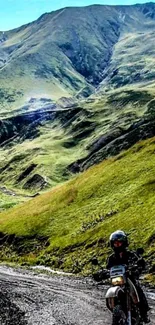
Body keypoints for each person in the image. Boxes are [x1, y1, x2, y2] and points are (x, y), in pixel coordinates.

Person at [106, 230, 150, 324]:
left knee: (138, 289)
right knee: (111, 292)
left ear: (124, 243)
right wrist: (101, 273)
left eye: (119, 242)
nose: (117, 245)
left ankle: (144, 313)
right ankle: (115, 309)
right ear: (112, 244)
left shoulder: (130, 255)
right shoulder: (111, 258)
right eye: (115, 243)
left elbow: (139, 263)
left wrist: (139, 265)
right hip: (117, 281)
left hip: (130, 278)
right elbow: (107, 268)